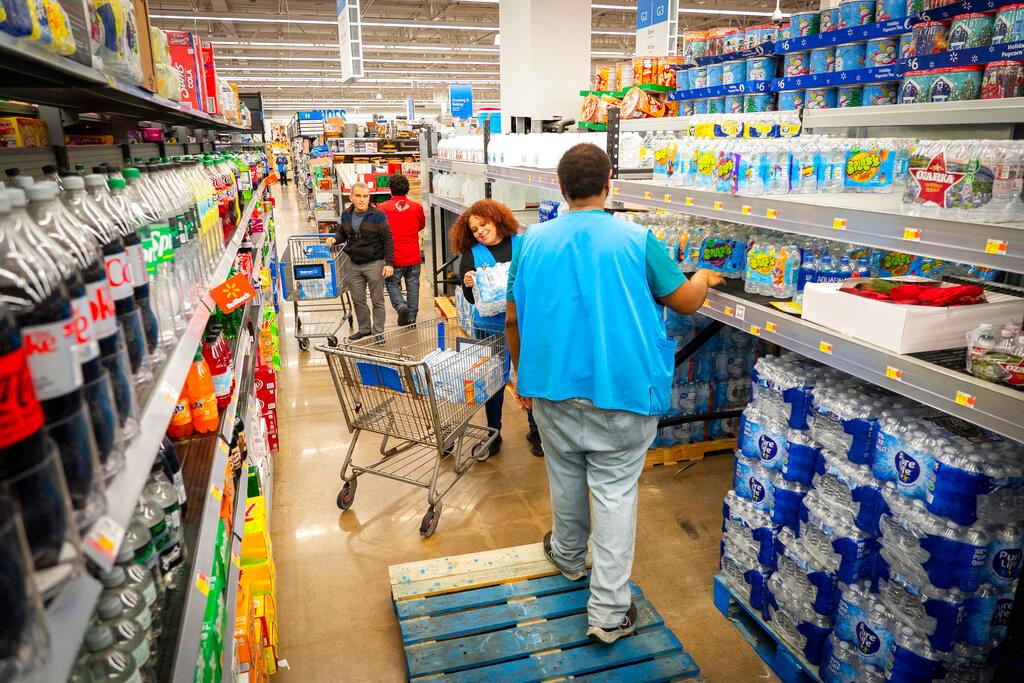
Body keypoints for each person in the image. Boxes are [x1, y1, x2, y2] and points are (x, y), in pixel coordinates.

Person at [506, 143, 724, 643]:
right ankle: (607, 613)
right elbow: (686, 301)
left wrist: (524, 375)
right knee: (614, 494)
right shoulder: (637, 238)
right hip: (621, 392)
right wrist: (705, 276)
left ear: (560, 189)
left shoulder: (531, 242)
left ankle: (565, 556)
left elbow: (513, 316)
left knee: (564, 475)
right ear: (610, 184)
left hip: (553, 388)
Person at [451, 199, 543, 459]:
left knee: (528, 377)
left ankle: (536, 431)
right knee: (493, 381)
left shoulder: (522, 244)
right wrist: (469, 283)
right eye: (474, 229)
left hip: (525, 326)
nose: (480, 231)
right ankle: (493, 433)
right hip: (489, 328)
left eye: (483, 224)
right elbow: (471, 300)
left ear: (497, 219)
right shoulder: (471, 254)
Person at [326, 183, 394, 342]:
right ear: (351, 197)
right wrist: (333, 238)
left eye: (365, 196)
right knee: (358, 300)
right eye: (358, 196)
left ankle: (378, 333)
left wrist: (389, 263)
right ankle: (364, 329)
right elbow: (342, 234)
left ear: (369, 197)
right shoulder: (346, 214)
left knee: (377, 301)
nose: (362, 200)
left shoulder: (378, 215)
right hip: (354, 264)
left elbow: (388, 240)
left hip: (375, 264)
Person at [378, 174, 426, 326]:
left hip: (393, 257)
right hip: (413, 255)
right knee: (413, 286)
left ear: (390, 189)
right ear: (408, 189)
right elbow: (421, 226)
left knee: (391, 283)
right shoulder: (416, 207)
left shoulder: (383, 208)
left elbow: (379, 231)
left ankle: (400, 306)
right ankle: (411, 317)